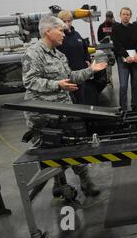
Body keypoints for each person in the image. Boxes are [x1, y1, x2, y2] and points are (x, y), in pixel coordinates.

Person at [22, 15, 107, 198]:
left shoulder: (59, 55)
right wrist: (57, 85)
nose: (64, 33)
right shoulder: (33, 54)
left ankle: (85, 181)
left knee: (75, 144)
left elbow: (70, 76)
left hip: (63, 110)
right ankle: (59, 183)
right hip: (43, 114)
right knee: (51, 150)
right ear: (48, 31)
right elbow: (30, 82)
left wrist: (90, 71)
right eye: (60, 30)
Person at [57, 10, 98, 105]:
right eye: (64, 21)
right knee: (70, 100)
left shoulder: (77, 34)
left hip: (81, 72)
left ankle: (83, 118)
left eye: (69, 21)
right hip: (67, 74)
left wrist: (87, 59)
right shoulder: (59, 37)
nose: (67, 23)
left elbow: (84, 48)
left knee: (81, 97)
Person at [112, 7, 137, 111]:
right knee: (123, 85)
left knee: (135, 83)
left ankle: (135, 104)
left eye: (128, 14)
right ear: (120, 15)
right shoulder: (116, 28)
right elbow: (117, 44)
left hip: (135, 59)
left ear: (130, 16)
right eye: (124, 14)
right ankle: (123, 107)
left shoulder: (135, 27)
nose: (125, 16)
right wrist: (125, 55)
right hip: (123, 59)